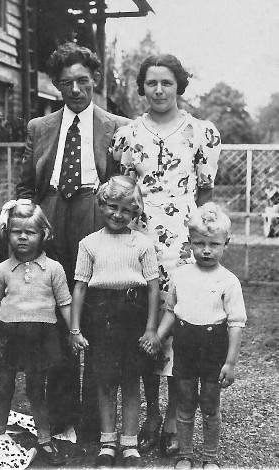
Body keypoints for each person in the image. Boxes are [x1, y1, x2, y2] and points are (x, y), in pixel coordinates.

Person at [16, 42, 130, 441]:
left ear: (95, 79)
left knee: (95, 314)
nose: (76, 89)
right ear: (56, 86)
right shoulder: (39, 127)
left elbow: (125, 189)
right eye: (67, 83)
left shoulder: (118, 126)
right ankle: (63, 420)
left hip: (94, 211)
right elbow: (26, 187)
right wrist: (23, 227)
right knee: (57, 314)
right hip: (50, 214)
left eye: (83, 80)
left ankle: (96, 424)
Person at [109, 53, 221, 456]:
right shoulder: (127, 134)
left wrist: (200, 241)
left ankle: (173, 419)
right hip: (138, 243)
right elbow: (119, 193)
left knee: (178, 329)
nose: (158, 90)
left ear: (179, 86)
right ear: (142, 87)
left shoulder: (201, 133)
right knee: (145, 326)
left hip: (182, 245)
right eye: (151, 82)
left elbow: (205, 195)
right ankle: (150, 414)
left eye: (167, 83)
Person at [69, 176, 160, 468]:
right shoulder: (89, 244)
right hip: (101, 317)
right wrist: (75, 328)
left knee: (131, 381)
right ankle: (107, 443)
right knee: (105, 381)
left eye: (126, 210)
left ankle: (129, 444)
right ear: (101, 205)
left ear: (135, 213)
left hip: (133, 315)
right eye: (112, 207)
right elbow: (80, 287)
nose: (118, 215)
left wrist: (150, 328)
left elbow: (153, 288)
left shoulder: (143, 244)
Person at [151, 202, 247, 469]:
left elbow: (236, 324)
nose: (206, 250)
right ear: (190, 241)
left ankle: (210, 456)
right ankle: (185, 454)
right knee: (185, 403)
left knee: (209, 405)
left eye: (213, 244)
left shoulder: (228, 281)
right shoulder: (180, 276)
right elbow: (171, 312)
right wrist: (158, 336)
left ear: (225, 243)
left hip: (213, 349)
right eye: (199, 243)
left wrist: (230, 362)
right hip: (185, 348)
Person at [0, 200, 72, 466]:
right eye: (16, 231)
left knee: (36, 391)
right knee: (4, 388)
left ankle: (44, 439)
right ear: (7, 233)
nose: (22, 237)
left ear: (44, 234)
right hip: (8, 335)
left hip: (40, 337)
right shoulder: (3, 270)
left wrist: (74, 331)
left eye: (30, 232)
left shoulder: (53, 269)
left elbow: (65, 303)